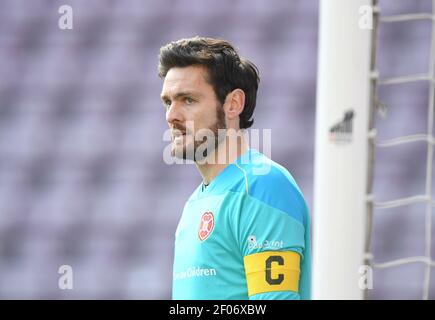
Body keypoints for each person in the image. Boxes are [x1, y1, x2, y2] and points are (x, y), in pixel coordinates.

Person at [158, 36, 311, 299]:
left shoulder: (262, 186)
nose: (171, 116)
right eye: (168, 102)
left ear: (233, 104)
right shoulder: (195, 202)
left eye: (188, 100)